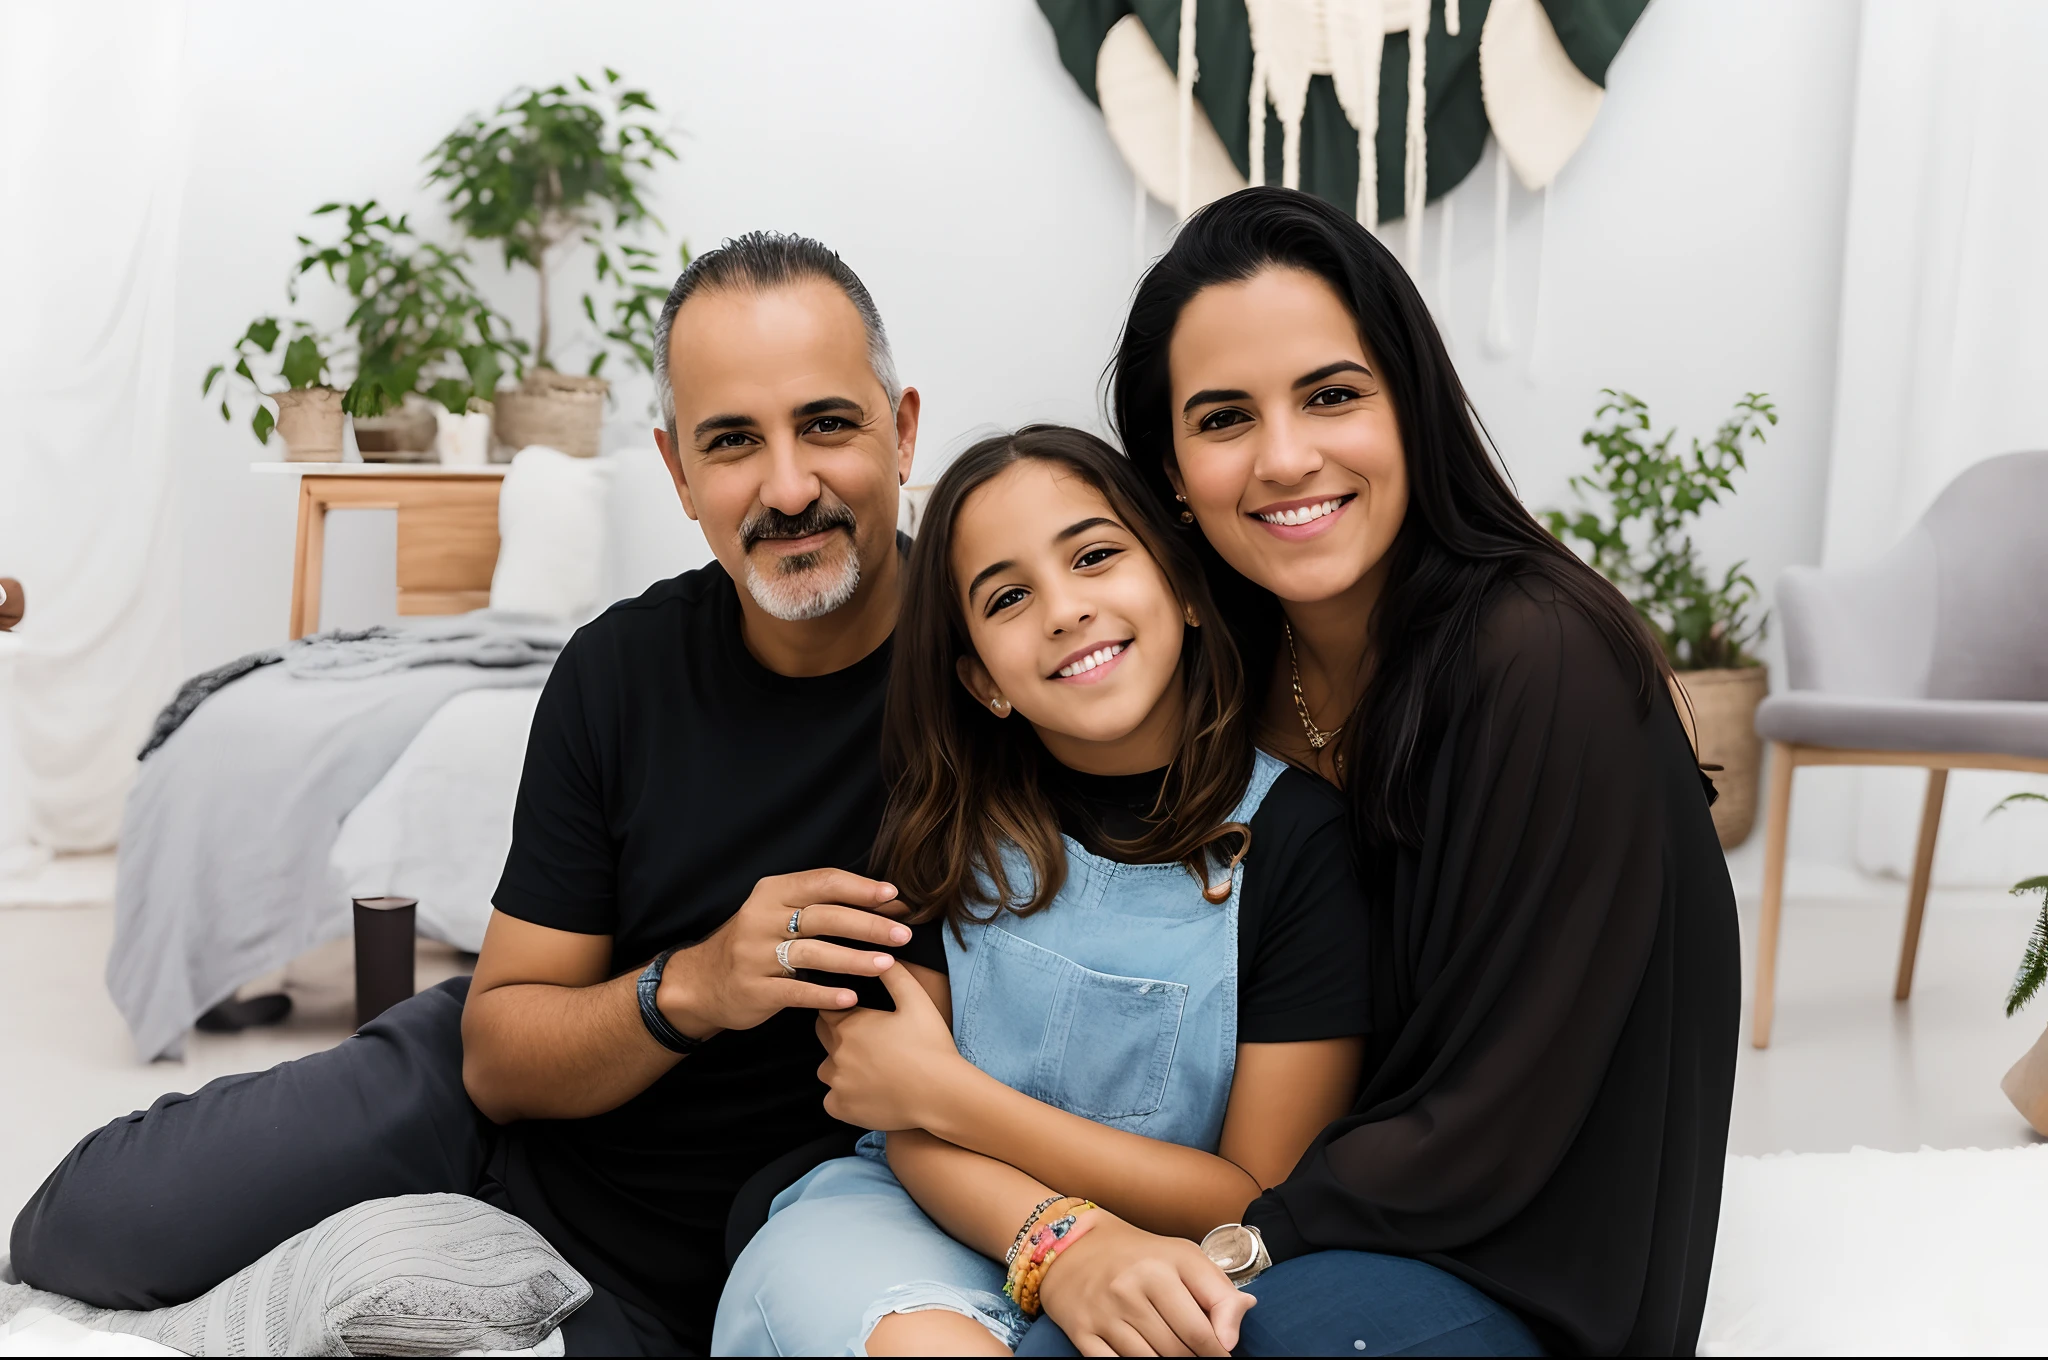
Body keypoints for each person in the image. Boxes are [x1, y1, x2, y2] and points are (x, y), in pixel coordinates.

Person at [10, 232, 931, 1356]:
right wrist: (693, 984)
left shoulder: (994, 663)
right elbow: (500, 1050)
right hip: (499, 1117)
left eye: (827, 424)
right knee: (84, 1229)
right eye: (732, 441)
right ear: (678, 470)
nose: (789, 486)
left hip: (723, 1260)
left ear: (903, 430)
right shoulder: (620, 672)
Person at [1005, 186, 1742, 1357]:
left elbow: (1491, 1125)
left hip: (1521, 1263)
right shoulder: (1236, 672)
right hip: (1330, 1216)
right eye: (1222, 418)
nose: (1285, 457)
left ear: (1411, 404)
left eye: (1331, 395)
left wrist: (1228, 1241)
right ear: (1172, 474)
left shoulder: (1538, 655)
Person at [714, 426, 1374, 1357]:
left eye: (1096, 556)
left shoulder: (1301, 843)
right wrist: (1058, 1243)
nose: (1064, 610)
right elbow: (899, 1120)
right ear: (983, 679)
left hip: (1165, 1254)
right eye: (1010, 597)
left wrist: (955, 1096)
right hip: (918, 1219)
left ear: (1184, 587)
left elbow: (1253, 1192)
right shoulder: (947, 826)